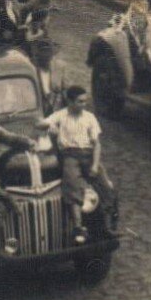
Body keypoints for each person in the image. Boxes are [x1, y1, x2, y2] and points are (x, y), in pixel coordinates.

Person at [39, 85, 110, 244]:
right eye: (79, 102)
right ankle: (78, 227)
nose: (83, 104)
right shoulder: (61, 115)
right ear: (69, 102)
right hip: (70, 156)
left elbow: (96, 144)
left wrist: (95, 165)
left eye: (85, 101)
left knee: (106, 186)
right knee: (72, 186)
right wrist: (46, 126)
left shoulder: (89, 117)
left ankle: (108, 222)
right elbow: (42, 123)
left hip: (89, 155)